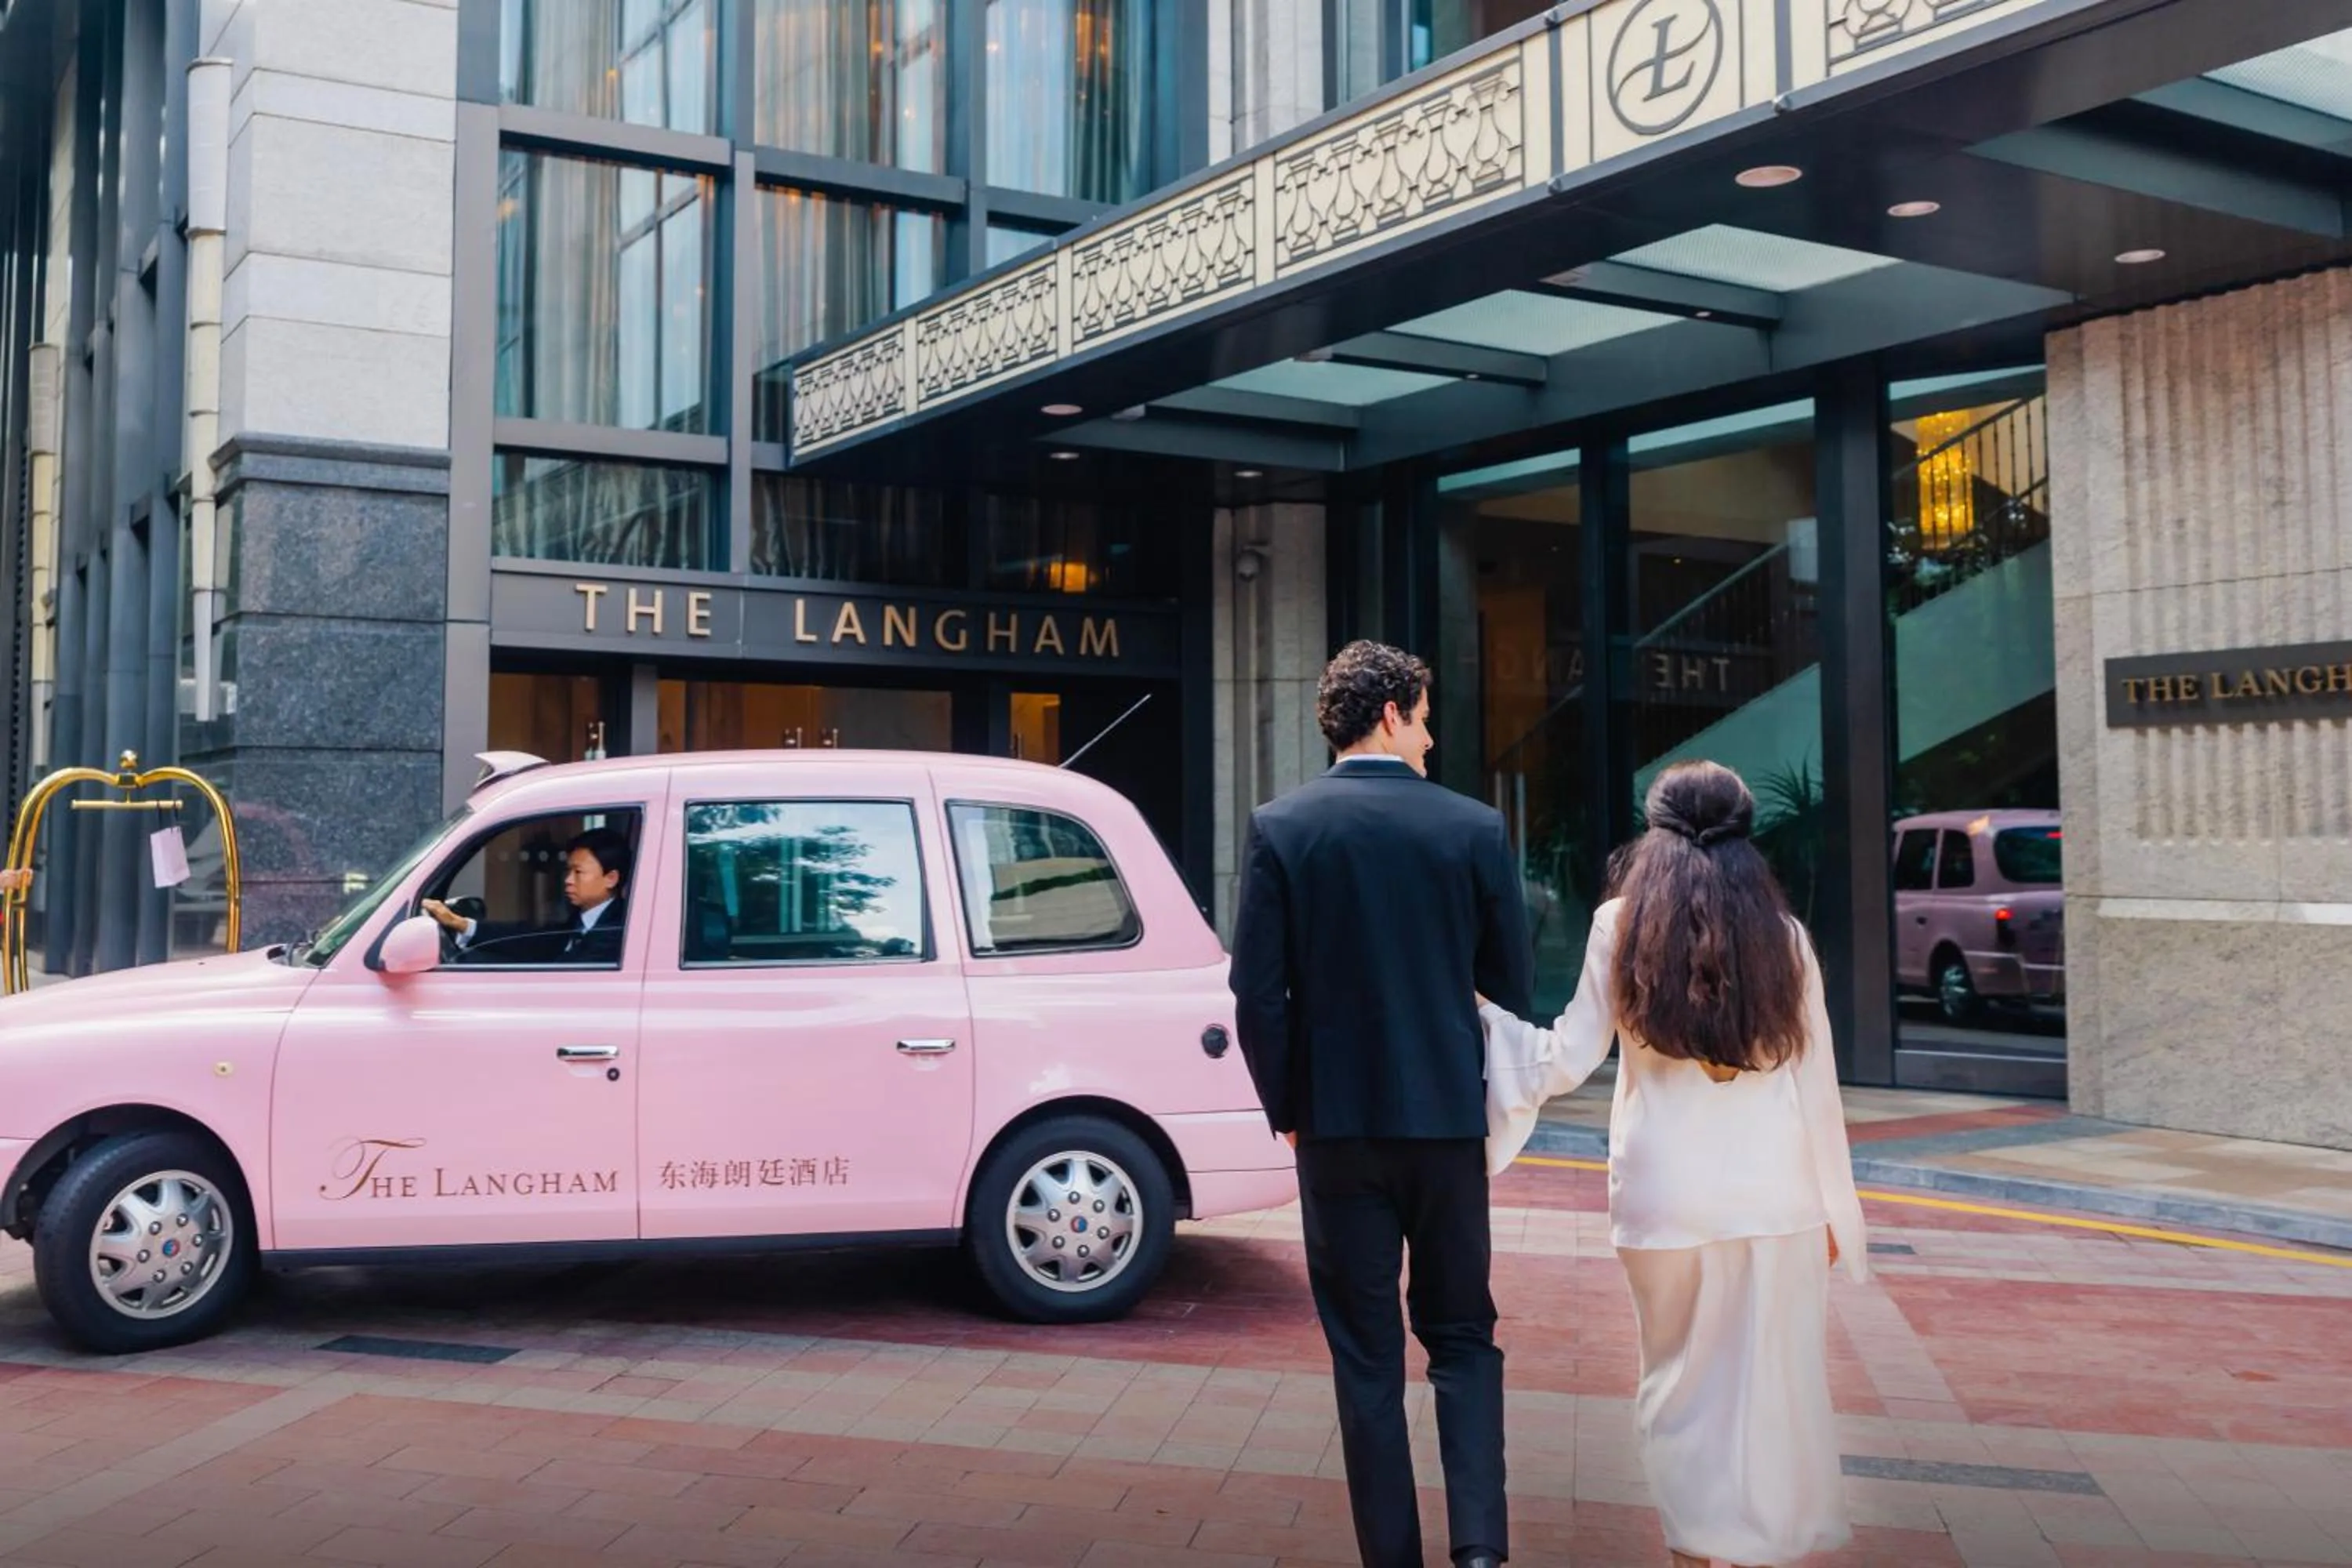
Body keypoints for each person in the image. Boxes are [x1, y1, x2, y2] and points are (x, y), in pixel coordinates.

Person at [1480, 760, 1865, 1568]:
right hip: (1777, 1195)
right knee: (1770, 1386)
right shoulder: (1784, 936)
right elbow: (1817, 1083)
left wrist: (1483, 1024)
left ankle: (1693, 1546)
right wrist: (1838, 1210)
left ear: (1656, 832)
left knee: (1676, 1378)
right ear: (1743, 835)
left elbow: (1568, 1055)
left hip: (1665, 1196)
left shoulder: (1621, 924)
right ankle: (1762, 1542)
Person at [1230, 640, 1534, 1568]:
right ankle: (1479, 1547)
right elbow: (1511, 983)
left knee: (1365, 1355)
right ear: (1393, 712)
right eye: (1428, 714)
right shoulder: (1474, 828)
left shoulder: (1281, 827)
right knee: (1462, 1333)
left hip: (1335, 1124)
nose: (1435, 736)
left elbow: (1256, 994)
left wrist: (1287, 1103)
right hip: (1444, 1121)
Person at [423, 827, 631, 965]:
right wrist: (461, 924)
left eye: (578, 872)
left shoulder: (620, 930)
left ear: (610, 878)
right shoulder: (579, 920)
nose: (568, 880)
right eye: (569, 871)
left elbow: (564, 972)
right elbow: (531, 938)